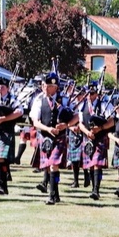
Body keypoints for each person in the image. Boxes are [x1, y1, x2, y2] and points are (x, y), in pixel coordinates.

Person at [30, 72, 77, 205]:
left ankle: (52, 195)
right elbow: (35, 122)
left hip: (59, 137)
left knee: (53, 165)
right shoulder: (38, 100)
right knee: (50, 166)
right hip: (45, 138)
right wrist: (48, 129)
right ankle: (55, 195)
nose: (45, 87)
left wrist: (66, 125)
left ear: (55, 87)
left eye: (49, 85)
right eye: (44, 85)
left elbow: (77, 117)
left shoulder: (65, 99)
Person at [78, 83, 114, 200]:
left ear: (96, 94)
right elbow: (80, 123)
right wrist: (87, 132)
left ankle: (96, 190)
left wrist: (101, 128)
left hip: (100, 138)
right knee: (91, 166)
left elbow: (112, 121)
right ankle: (93, 187)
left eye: (91, 93)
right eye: (87, 93)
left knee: (97, 164)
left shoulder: (103, 105)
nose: (89, 95)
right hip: (87, 138)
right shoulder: (82, 106)